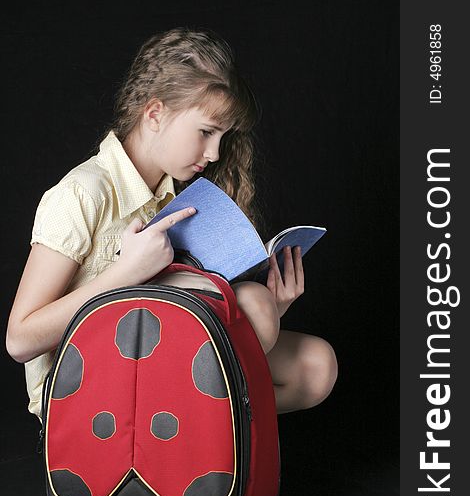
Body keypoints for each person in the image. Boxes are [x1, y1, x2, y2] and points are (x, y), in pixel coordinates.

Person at [6, 27, 337, 420]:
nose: (214, 153)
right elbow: (20, 340)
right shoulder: (84, 192)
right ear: (155, 113)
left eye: (222, 137)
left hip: (155, 361)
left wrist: (272, 311)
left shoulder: (174, 201)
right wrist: (126, 273)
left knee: (316, 365)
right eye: (205, 132)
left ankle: (196, 426)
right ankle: (191, 425)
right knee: (253, 305)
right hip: (83, 391)